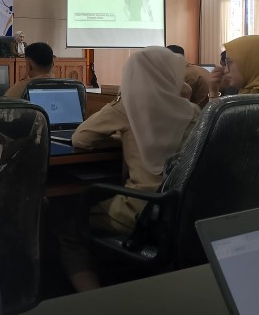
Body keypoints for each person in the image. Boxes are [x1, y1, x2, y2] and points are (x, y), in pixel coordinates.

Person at [59, 46, 201, 292]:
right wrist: (128, 137)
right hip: (180, 211)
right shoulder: (193, 111)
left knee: (67, 229)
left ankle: (92, 300)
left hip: (140, 209)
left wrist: (122, 135)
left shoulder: (129, 105)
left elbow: (81, 138)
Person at [208, 35, 259, 100]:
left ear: (252, 64)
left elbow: (213, 118)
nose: (225, 70)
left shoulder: (254, 99)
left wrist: (213, 93)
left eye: (229, 62)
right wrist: (214, 91)